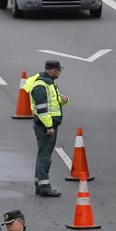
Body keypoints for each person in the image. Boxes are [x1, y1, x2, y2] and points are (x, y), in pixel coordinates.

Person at [23, 60, 68, 197]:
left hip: (48, 124)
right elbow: (42, 110)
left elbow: (52, 102)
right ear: (54, 71)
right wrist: (49, 126)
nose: (60, 73)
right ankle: (44, 187)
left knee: (43, 154)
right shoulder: (41, 86)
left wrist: (63, 100)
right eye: (59, 70)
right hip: (45, 126)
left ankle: (40, 184)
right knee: (45, 157)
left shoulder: (48, 83)